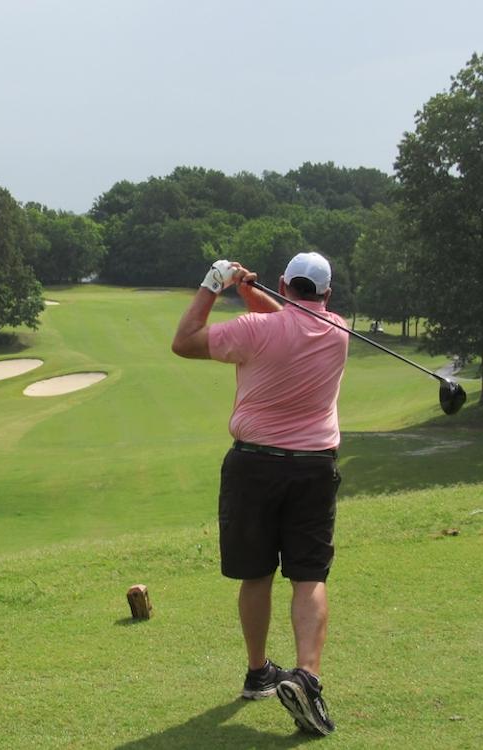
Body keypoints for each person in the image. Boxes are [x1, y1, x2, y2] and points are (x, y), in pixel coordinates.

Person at [170, 252, 347, 736]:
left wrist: (215, 283)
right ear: (327, 294)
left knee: (256, 574)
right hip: (314, 467)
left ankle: (258, 672)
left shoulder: (253, 330)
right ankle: (306, 676)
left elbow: (184, 341)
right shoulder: (337, 332)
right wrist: (251, 292)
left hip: (253, 465)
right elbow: (293, 323)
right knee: (308, 575)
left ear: (284, 284)